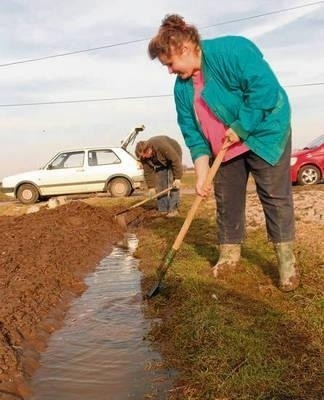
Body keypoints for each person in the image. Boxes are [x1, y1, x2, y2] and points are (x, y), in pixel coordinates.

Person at [148, 14, 299, 291]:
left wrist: (241, 127)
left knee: (275, 198)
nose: (169, 70)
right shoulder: (181, 88)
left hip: (265, 132)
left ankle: (286, 262)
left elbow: (265, 90)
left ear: (184, 48)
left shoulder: (232, 51)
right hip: (225, 148)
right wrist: (203, 172)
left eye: (169, 63)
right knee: (226, 200)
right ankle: (229, 256)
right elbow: (193, 133)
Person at [135, 135, 182, 217]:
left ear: (149, 149)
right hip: (159, 161)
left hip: (174, 154)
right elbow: (148, 172)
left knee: (173, 184)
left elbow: (175, 161)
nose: (144, 157)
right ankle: (163, 209)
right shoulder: (144, 157)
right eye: (142, 156)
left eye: (145, 154)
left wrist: (177, 178)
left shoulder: (162, 146)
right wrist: (151, 187)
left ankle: (173, 210)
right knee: (160, 183)